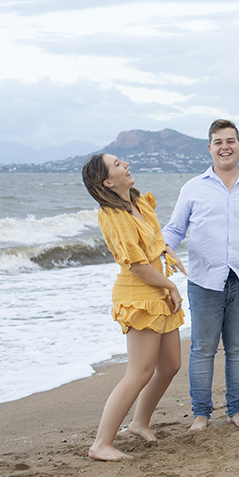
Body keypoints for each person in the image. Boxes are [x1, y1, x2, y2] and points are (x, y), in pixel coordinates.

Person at [162, 119, 239, 431]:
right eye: (218, 142)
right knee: (203, 348)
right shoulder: (193, 188)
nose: (225, 147)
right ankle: (201, 415)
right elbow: (175, 229)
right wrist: (166, 250)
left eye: (230, 141)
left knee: (238, 348)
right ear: (210, 148)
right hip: (204, 280)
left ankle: (236, 411)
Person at [82, 153, 186, 461]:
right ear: (107, 181)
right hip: (139, 293)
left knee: (170, 365)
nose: (126, 164)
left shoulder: (139, 203)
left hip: (157, 289)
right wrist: (170, 285)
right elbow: (138, 266)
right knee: (139, 372)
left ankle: (139, 423)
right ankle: (101, 443)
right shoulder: (112, 215)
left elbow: (155, 240)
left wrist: (167, 251)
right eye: (117, 164)